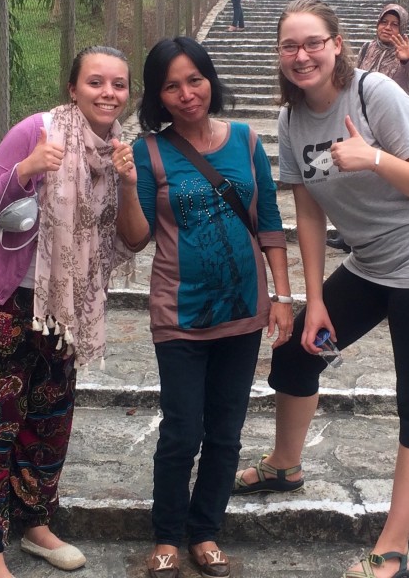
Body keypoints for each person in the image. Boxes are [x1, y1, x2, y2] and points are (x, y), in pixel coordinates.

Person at [233, 0, 409, 578]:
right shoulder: (291, 122)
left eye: (313, 42)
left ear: (337, 44)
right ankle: (287, 464)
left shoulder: (376, 95)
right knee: (295, 354)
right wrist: (313, 301)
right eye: (290, 46)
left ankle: (393, 549)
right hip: (368, 263)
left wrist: (374, 158)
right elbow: (309, 214)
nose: (302, 55)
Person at [0, 46, 150, 578]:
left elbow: (132, 241)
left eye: (118, 84)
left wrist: (130, 184)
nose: (107, 93)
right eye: (95, 82)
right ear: (72, 88)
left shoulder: (116, 154)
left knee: (48, 422)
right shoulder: (36, 131)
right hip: (4, 305)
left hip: (65, 313)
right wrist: (27, 169)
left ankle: (36, 526)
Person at [119, 36, 294, 578]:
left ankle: (206, 532)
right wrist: (127, 185)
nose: (187, 93)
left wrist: (283, 298)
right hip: (180, 312)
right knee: (180, 431)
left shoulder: (244, 140)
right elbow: (135, 238)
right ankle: (168, 535)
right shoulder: (150, 152)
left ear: (210, 80)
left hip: (244, 309)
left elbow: (268, 222)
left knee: (225, 431)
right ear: (158, 96)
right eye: (172, 85)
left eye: (195, 79)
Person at [327, 3, 409, 252]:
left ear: (402, 29)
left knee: (381, 182)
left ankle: (382, 233)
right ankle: (349, 234)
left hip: (389, 127)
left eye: (395, 24)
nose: (388, 28)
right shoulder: (366, 47)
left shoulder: (404, 52)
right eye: (384, 22)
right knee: (353, 180)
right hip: (360, 122)